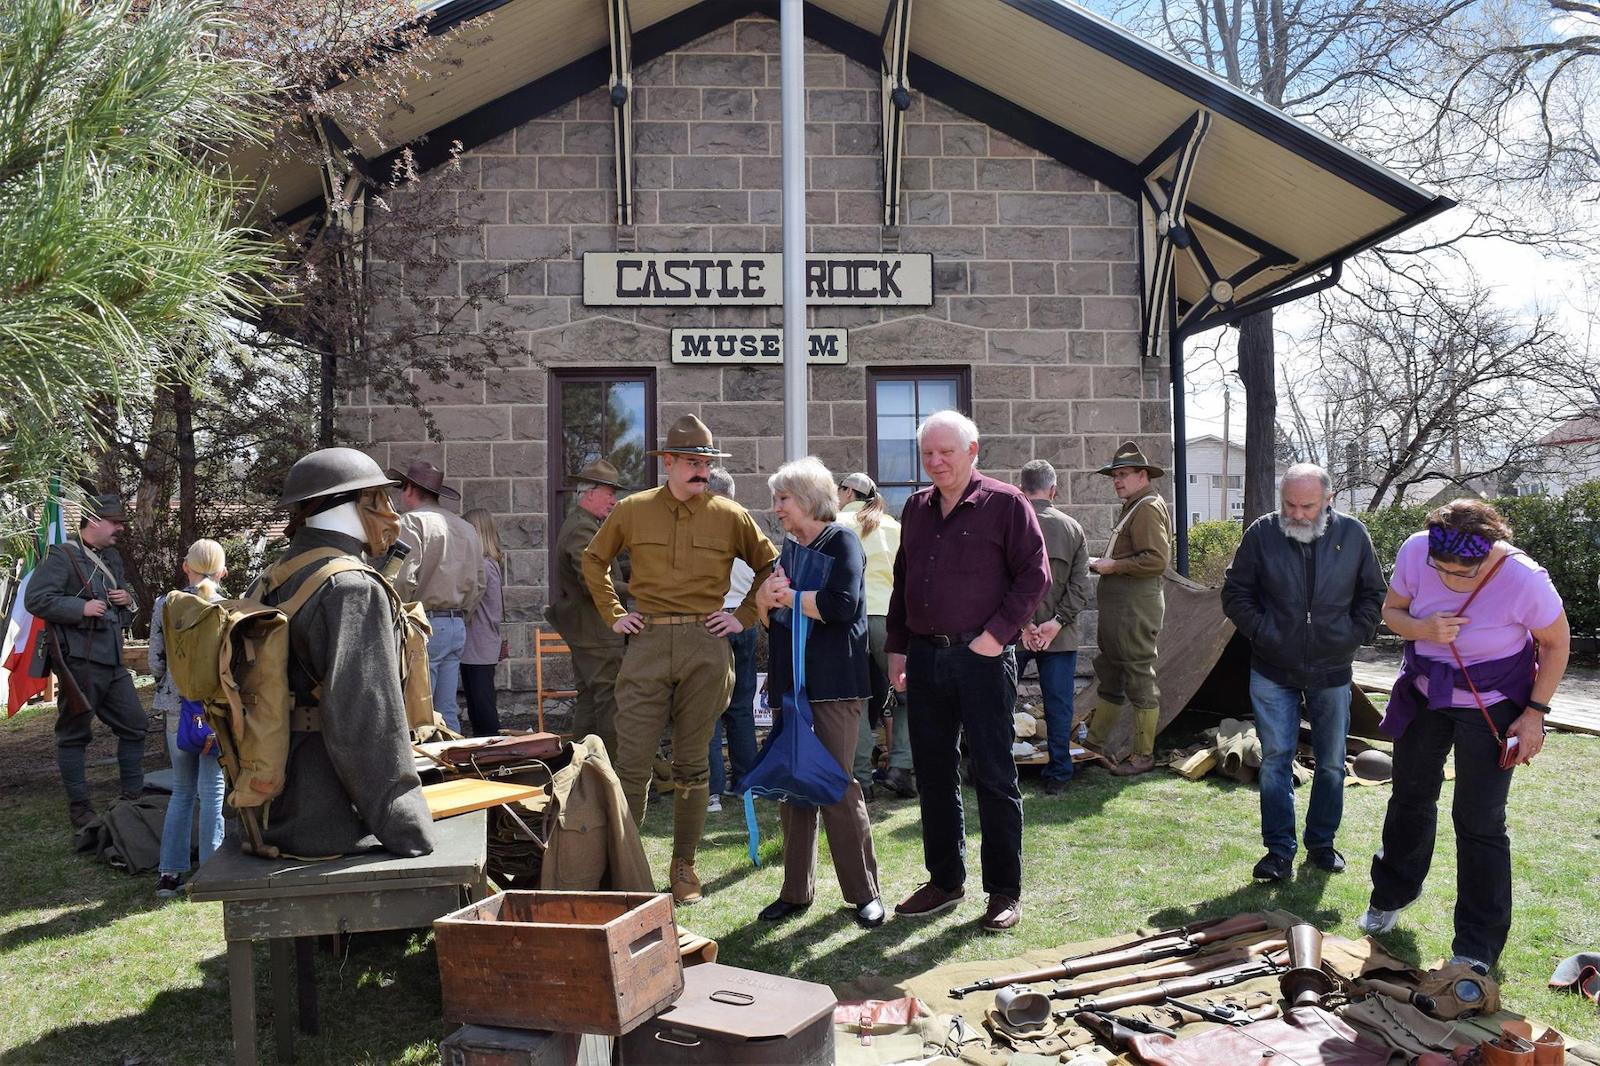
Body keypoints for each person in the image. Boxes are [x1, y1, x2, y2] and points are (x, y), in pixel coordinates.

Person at [1359, 499, 1569, 973]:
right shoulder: (1416, 550)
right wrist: (1421, 628)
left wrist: (1534, 714)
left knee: (1479, 821)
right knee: (1409, 796)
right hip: (1426, 694)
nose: (1452, 580)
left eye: (1464, 573)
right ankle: (1390, 896)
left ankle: (1477, 944)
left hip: (1493, 705)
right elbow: (1392, 612)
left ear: (1489, 552)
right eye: (1443, 570)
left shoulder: (1524, 578)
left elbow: (1556, 644)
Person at [582, 415, 778, 904]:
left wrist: (745, 615)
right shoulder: (632, 510)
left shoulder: (729, 514)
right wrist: (613, 613)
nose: (700, 471)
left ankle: (684, 867)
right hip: (647, 642)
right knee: (632, 763)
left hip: (706, 646)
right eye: (692, 462)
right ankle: (622, 868)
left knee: (694, 765)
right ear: (667, 463)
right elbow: (593, 560)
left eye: (706, 463)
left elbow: (772, 566)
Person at [885, 411, 1049, 932]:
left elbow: (1035, 575)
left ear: (972, 450)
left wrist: (995, 635)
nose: (936, 462)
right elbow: (902, 582)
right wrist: (897, 648)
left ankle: (1004, 892)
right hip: (926, 657)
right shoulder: (914, 508)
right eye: (928, 454)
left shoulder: (1006, 503)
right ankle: (944, 880)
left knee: (994, 776)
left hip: (982, 659)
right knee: (933, 774)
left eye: (946, 452)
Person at [256, 447, 435, 858]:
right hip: (334, 824)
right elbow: (367, 721)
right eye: (379, 498)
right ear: (351, 503)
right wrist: (408, 827)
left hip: (280, 811)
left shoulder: (274, 575)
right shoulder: (352, 587)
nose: (389, 512)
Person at [1221, 464, 1386, 883]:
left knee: (1331, 762)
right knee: (1276, 759)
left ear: (1328, 500)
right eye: (1289, 504)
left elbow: (1374, 594)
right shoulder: (1262, 533)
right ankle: (1278, 851)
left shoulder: (1353, 535)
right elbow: (1235, 593)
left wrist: (1350, 636)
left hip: (1332, 668)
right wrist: (1264, 632)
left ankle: (1321, 844)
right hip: (1272, 667)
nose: (1295, 514)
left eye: (1306, 506)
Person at [752, 458, 884, 928]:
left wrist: (787, 599)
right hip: (793, 688)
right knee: (795, 787)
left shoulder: (842, 540)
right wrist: (766, 603)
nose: (776, 509)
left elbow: (843, 606)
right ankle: (795, 893)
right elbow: (774, 620)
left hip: (834, 687)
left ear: (808, 499)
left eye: (782, 499)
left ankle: (864, 893)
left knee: (836, 786)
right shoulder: (788, 552)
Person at [25, 493, 146, 831]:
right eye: (115, 521)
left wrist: (128, 600)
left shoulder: (112, 558)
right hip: (80, 661)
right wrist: (80, 608)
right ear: (94, 521)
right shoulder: (63, 556)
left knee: (135, 726)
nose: (119, 527)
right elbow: (36, 598)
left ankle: (132, 797)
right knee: (74, 735)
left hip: (112, 659)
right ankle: (79, 808)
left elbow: (120, 597)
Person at [1082, 441, 1172, 777]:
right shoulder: (1136, 504)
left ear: (1142, 475)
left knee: (1138, 676)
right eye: (1115, 475)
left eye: (1123, 475)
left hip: (1135, 608)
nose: (1117, 480)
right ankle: (1094, 744)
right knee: (1112, 672)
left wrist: (1112, 566)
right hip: (1121, 608)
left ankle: (1142, 756)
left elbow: (1156, 559)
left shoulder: (1147, 506)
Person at [150, 539, 230, 897]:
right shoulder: (227, 607)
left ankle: (169, 873)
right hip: (213, 710)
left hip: (174, 707)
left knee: (181, 791)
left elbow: (155, 659)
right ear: (223, 571)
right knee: (213, 791)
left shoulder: (163, 605)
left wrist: (166, 684)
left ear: (186, 567)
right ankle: (213, 871)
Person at [388, 458, 484, 733]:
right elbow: (480, 583)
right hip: (456, 624)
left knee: (419, 710)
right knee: (447, 710)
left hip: (423, 623)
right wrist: (463, 613)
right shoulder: (466, 528)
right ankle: (451, 766)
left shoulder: (410, 523)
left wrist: (398, 617)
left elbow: (403, 577)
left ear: (408, 490)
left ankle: (425, 771)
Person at [837, 471, 915, 800]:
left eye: (838, 488)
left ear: (848, 491)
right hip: (891, 618)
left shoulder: (836, 522)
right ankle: (901, 766)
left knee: (855, 699)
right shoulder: (894, 526)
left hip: (850, 619)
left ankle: (860, 779)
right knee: (907, 694)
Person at [1015, 460, 1090, 795]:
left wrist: (1026, 625)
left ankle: (993, 768)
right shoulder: (1073, 528)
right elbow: (1080, 588)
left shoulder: (1011, 524)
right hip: (1059, 635)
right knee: (1059, 705)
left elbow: (1000, 582)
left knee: (996, 701)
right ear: (1053, 490)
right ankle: (1059, 774)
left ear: (1022, 489)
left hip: (1015, 633)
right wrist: (1056, 623)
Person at [547, 458, 628, 759]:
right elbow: (595, 582)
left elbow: (611, 569)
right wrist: (645, 589)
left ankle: (580, 767)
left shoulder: (585, 525)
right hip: (597, 630)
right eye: (609, 493)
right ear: (589, 493)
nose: (614, 500)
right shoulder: (582, 529)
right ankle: (611, 774)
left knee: (592, 699)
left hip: (591, 629)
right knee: (610, 699)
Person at [705, 466, 758, 814]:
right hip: (744, 619)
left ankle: (711, 791)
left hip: (711, 620)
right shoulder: (746, 526)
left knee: (707, 710)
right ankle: (747, 784)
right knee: (741, 708)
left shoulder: (703, 524)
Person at [460, 508, 504, 738]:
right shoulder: (490, 564)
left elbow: (471, 602)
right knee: (478, 703)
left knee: (482, 705)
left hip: (479, 642)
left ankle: (494, 753)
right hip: (481, 643)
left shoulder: (485, 566)